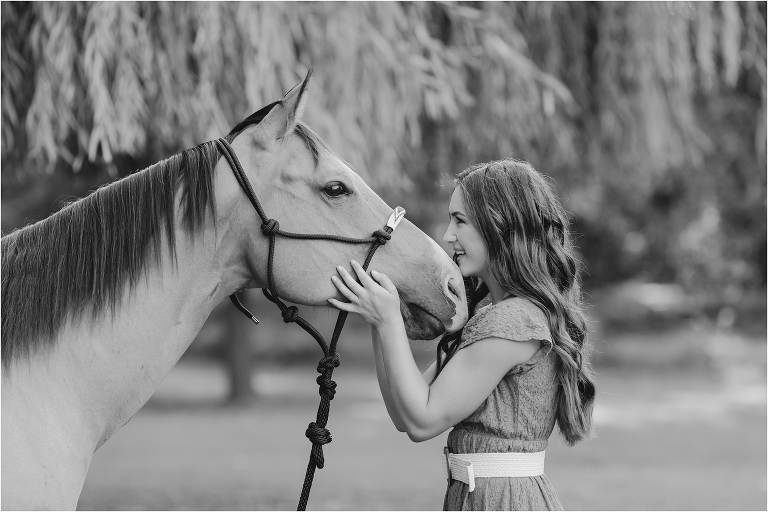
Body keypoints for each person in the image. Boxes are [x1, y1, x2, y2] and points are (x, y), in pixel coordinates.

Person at [328, 158, 595, 511]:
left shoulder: (512, 322)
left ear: (500, 227)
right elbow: (403, 414)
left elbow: (423, 421)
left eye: (460, 220)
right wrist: (380, 321)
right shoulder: (498, 317)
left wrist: (391, 320)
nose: (447, 235)